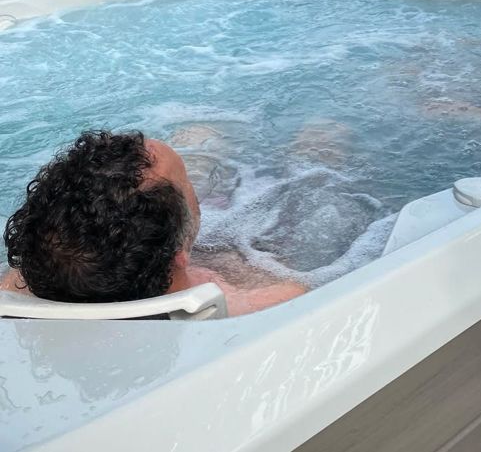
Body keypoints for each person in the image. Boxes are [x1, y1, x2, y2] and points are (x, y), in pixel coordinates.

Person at [0, 130, 307, 317]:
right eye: (189, 185)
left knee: (196, 134)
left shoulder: (18, 283)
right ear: (179, 255)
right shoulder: (263, 300)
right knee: (317, 139)